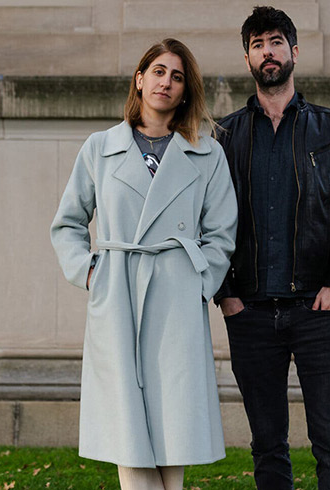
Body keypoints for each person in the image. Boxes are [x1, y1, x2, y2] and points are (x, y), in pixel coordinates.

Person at [51, 38, 237, 490]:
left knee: (174, 424)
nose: (166, 82)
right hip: (118, 294)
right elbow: (67, 224)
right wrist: (93, 274)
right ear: (139, 79)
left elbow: (222, 231)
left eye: (177, 76)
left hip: (176, 295)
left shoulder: (207, 152)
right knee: (126, 426)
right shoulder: (100, 147)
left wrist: (199, 281)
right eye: (158, 71)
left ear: (185, 91)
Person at [214, 6, 330, 490]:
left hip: (318, 312)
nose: (268, 52)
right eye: (258, 45)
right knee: (268, 446)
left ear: (294, 52)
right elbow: (205, 222)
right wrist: (227, 295)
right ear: (247, 58)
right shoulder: (225, 136)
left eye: (276, 42)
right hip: (252, 314)